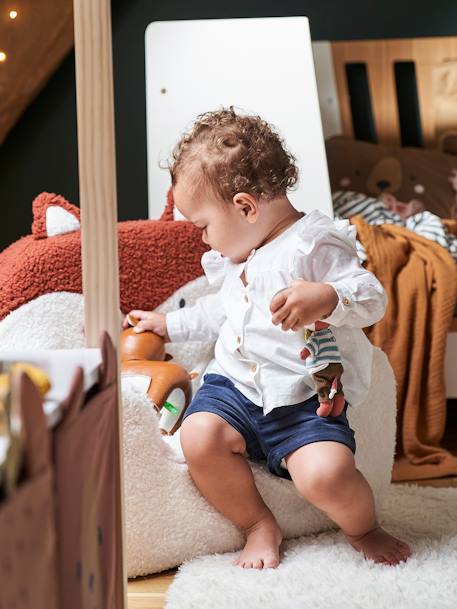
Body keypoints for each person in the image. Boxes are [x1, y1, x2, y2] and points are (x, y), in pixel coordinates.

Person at [123, 107, 411, 569]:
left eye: (202, 226)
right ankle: (257, 523)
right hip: (234, 387)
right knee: (199, 437)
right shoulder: (241, 255)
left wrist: (326, 296)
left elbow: (371, 297)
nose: (202, 240)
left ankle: (364, 527)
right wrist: (168, 325)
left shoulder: (313, 244)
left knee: (328, 476)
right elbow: (222, 310)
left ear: (245, 207)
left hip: (300, 396)